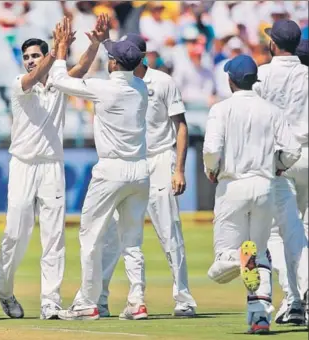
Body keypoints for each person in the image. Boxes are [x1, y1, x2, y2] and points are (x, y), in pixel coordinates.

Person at [0, 16, 109, 321]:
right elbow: (34, 79)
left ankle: (50, 301)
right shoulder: (21, 85)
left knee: (54, 235)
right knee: (15, 232)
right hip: (22, 165)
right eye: (26, 57)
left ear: (44, 57)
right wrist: (57, 50)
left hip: (51, 167)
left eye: (35, 56)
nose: (30, 61)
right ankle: (3, 289)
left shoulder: (58, 81)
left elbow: (80, 70)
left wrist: (94, 43)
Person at [50, 19, 150, 321]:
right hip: (140, 171)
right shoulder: (141, 87)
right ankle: (137, 302)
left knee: (90, 236)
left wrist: (62, 49)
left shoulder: (107, 89)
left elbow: (59, 81)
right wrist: (104, 42)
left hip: (111, 171)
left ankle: (87, 303)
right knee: (132, 241)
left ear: (115, 63)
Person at [96, 33, 197, 318]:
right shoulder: (115, 84)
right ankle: (101, 299)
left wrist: (178, 169)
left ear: (138, 56)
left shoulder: (162, 82)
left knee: (169, 231)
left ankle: (183, 297)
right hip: (129, 164)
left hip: (159, 160)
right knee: (114, 236)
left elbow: (180, 126)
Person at [203, 54, 301, 334]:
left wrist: (211, 169)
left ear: (230, 80)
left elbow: (211, 150)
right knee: (261, 256)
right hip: (265, 186)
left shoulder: (221, 109)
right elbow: (292, 150)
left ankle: (237, 259)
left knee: (224, 260)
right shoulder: (271, 110)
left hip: (232, 186)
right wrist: (279, 166)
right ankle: (260, 318)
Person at [254, 19, 308, 325]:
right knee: (304, 231)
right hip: (308, 155)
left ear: (273, 44)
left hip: (280, 159)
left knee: (278, 233)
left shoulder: (260, 75)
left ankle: (294, 299)